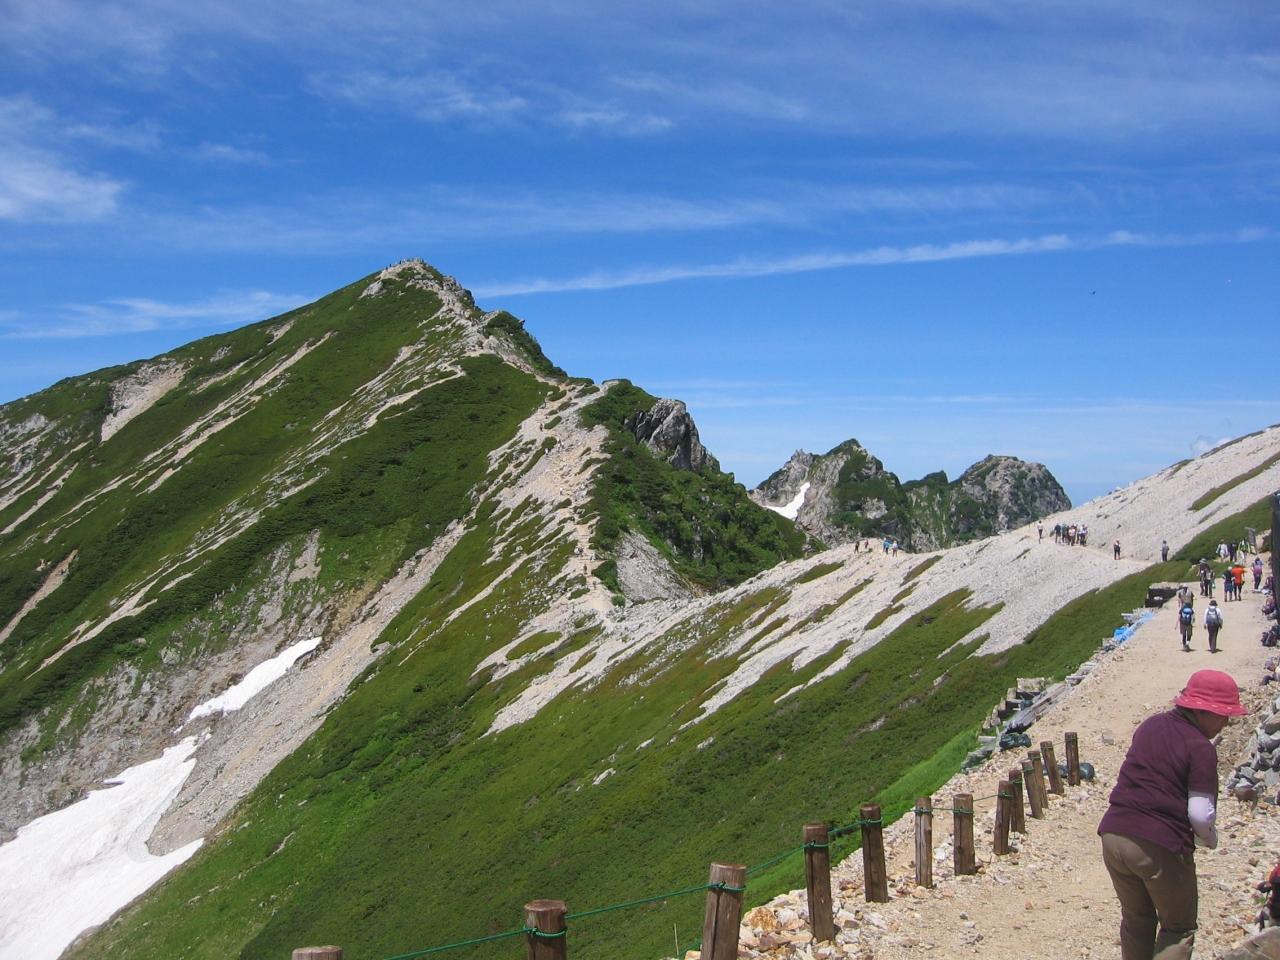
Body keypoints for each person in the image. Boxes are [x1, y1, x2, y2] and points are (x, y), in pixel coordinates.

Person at [1098, 669, 1246, 960]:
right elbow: (1200, 814)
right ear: (1202, 711)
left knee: (1136, 920)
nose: (1226, 723)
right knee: (1178, 927)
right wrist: (1209, 839)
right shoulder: (1200, 747)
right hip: (1158, 844)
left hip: (1113, 834)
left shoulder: (1151, 725)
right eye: (1223, 714)